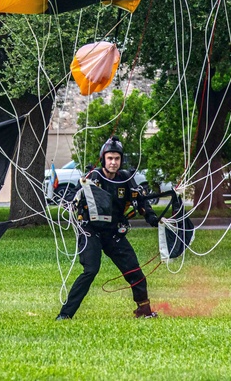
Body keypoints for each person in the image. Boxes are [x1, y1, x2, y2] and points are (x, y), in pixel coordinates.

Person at [57, 137, 161, 320]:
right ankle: (65, 314)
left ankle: (144, 311)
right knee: (90, 270)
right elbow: (74, 195)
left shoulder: (126, 179)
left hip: (114, 232)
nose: (113, 163)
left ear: (121, 161)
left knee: (134, 271)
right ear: (103, 159)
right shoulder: (93, 177)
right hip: (90, 230)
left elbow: (140, 200)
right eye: (110, 158)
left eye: (117, 159)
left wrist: (150, 216)